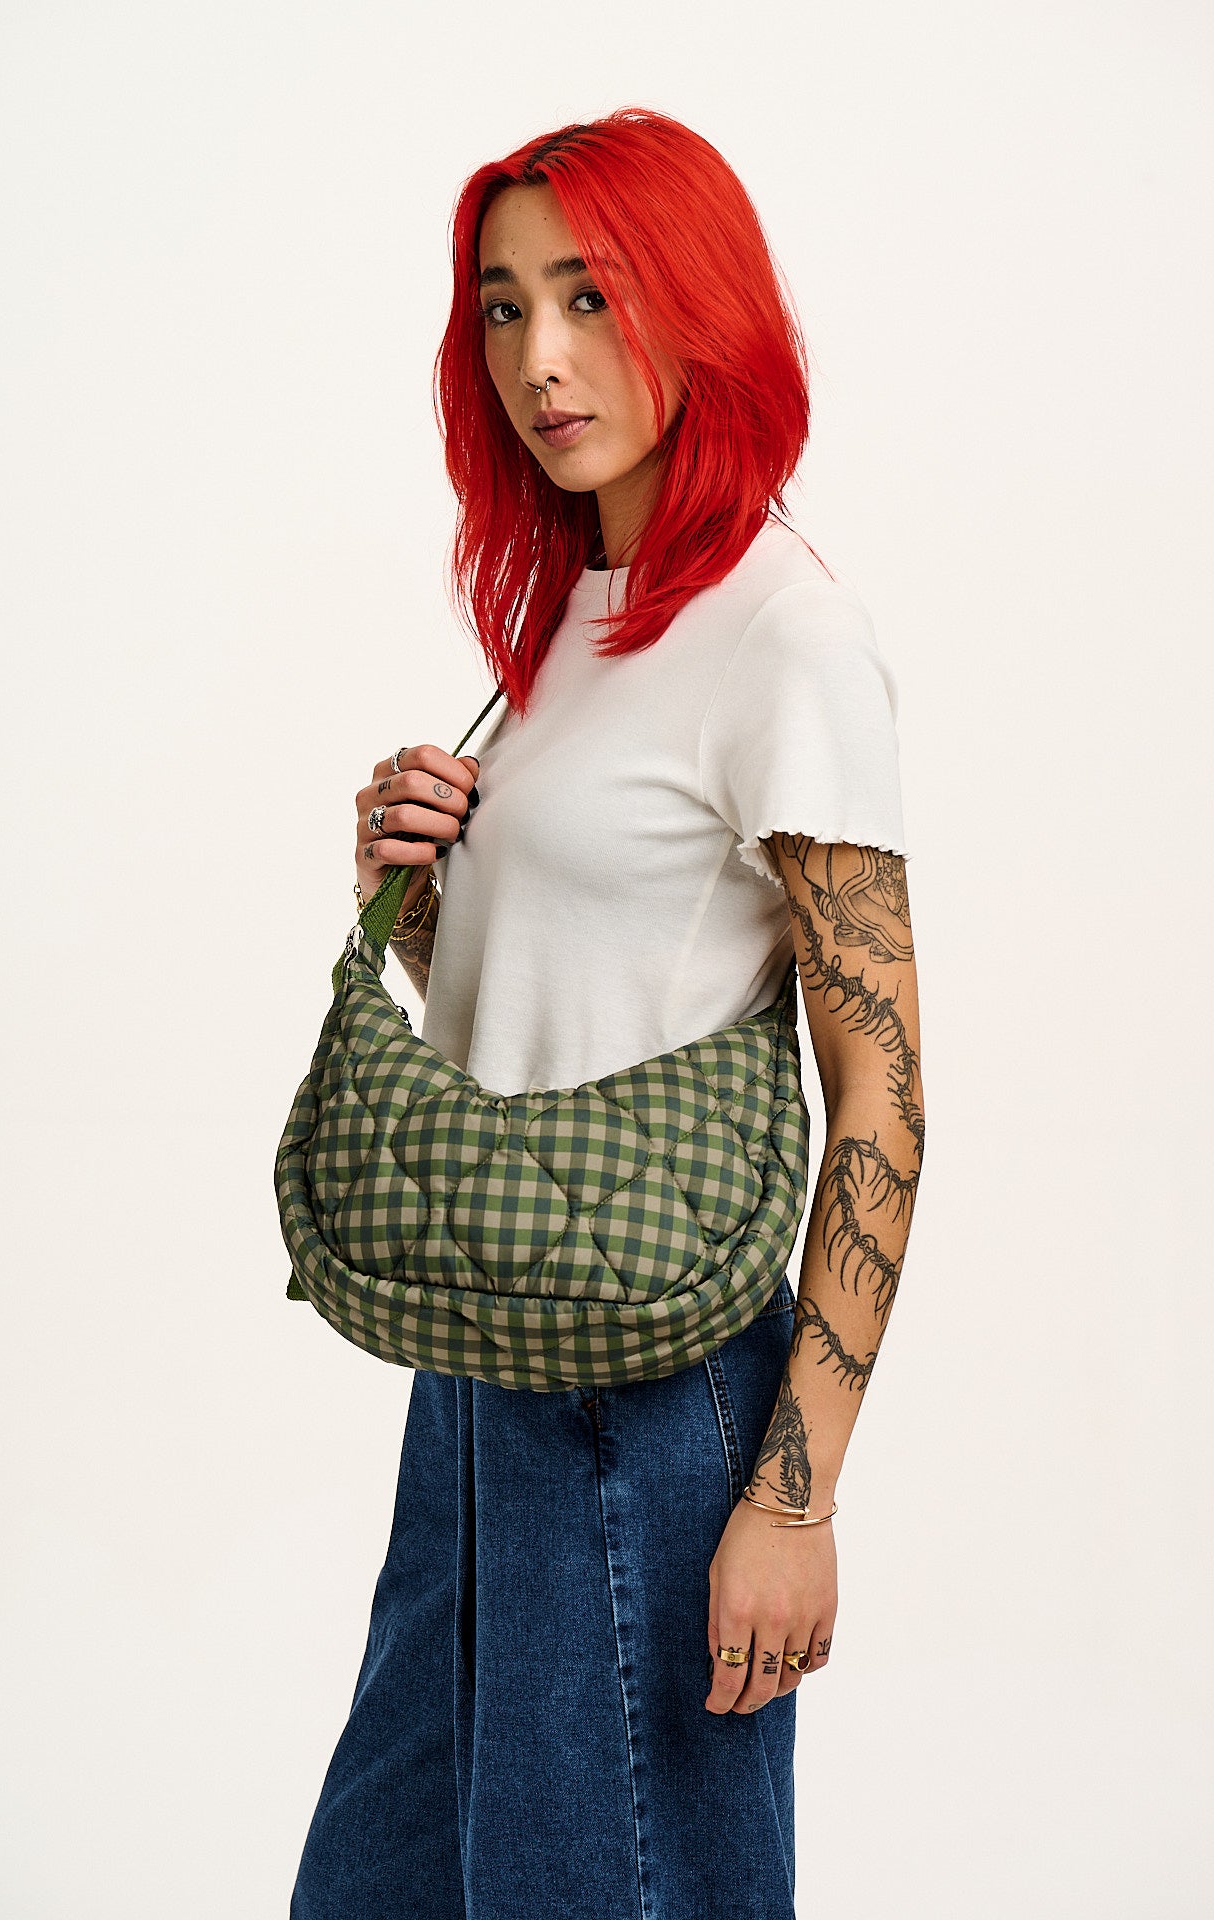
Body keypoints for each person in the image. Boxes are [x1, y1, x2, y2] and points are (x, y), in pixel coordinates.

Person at [289, 105, 925, 1920]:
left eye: (589, 295)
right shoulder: (568, 615)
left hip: (658, 1390)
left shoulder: (786, 636)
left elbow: (882, 1091)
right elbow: (565, 1019)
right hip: (478, 1370)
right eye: (503, 307)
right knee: (386, 1888)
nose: (540, 359)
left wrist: (792, 1500)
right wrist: (415, 890)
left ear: (698, 307)